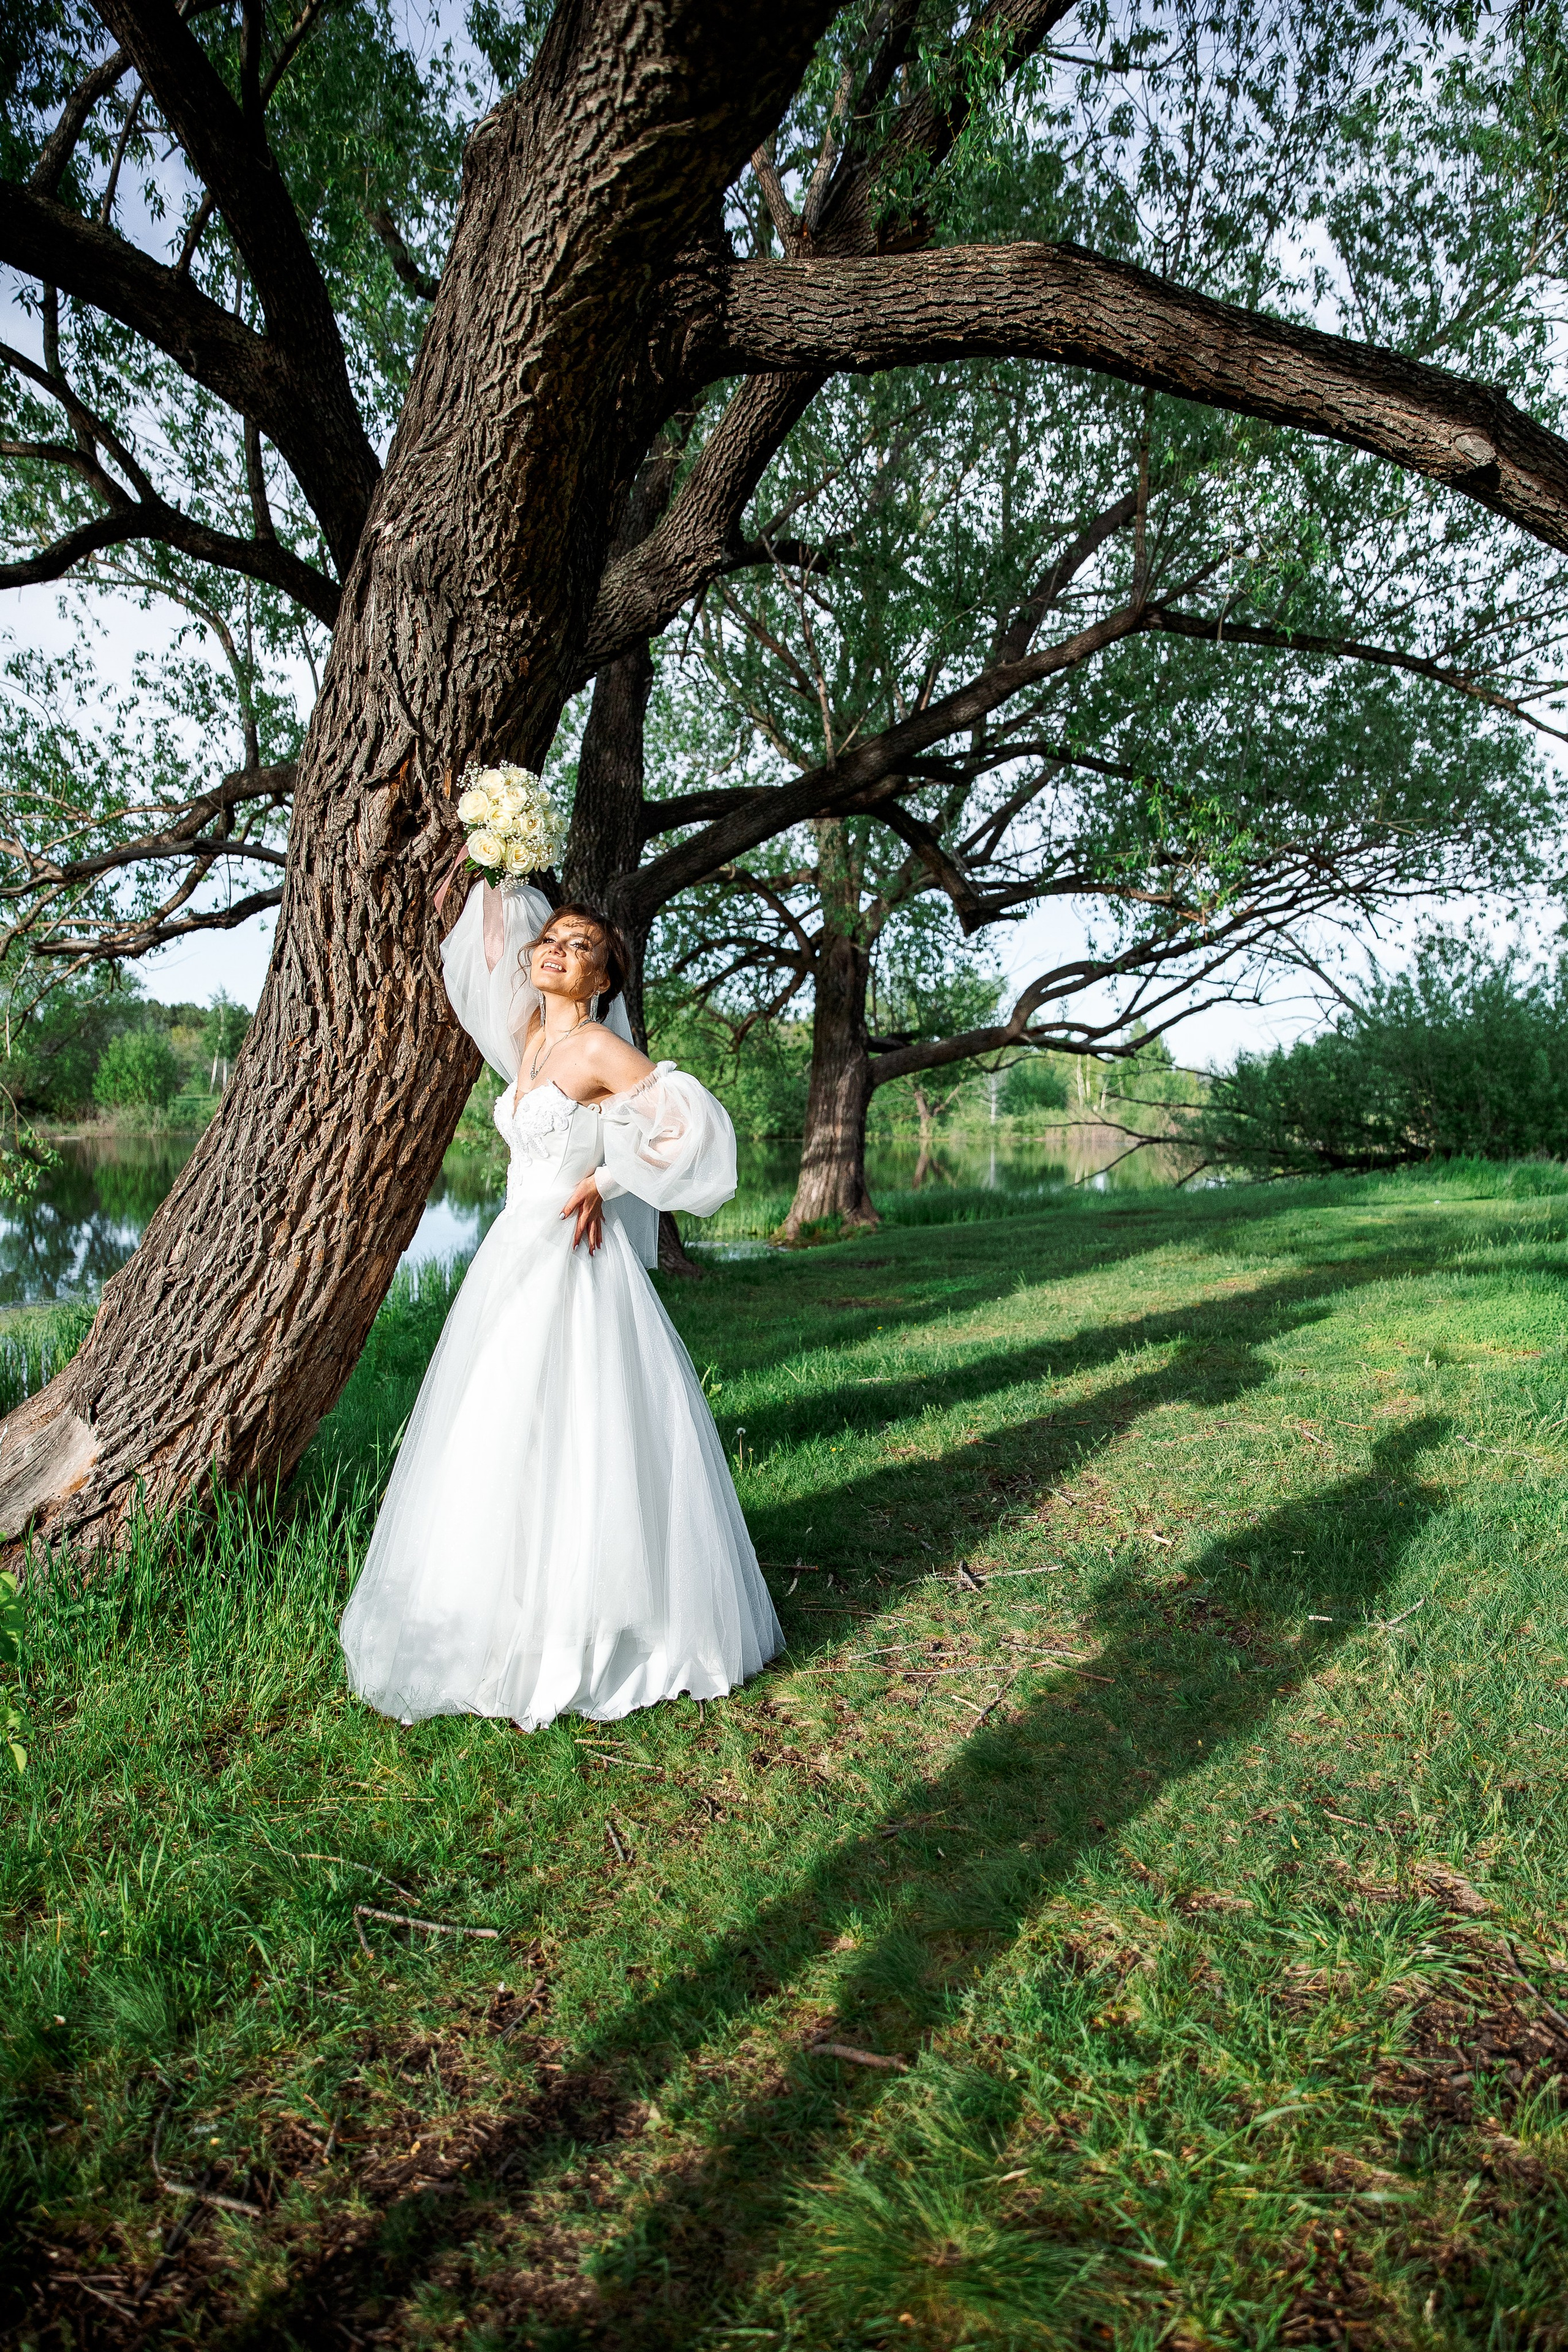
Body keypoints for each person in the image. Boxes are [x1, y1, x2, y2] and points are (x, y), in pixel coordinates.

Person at [339, 878, 783, 1728]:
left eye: (582, 948)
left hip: (573, 1257)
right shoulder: (528, 1035)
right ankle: (495, 1612)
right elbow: (487, 954)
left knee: (584, 1426)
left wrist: (606, 1178)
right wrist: (494, 876)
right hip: (512, 1249)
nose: (560, 951)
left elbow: (689, 1122)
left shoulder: (594, 1053)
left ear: (605, 981)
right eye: (557, 940)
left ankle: (601, 1623)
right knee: (503, 1423)